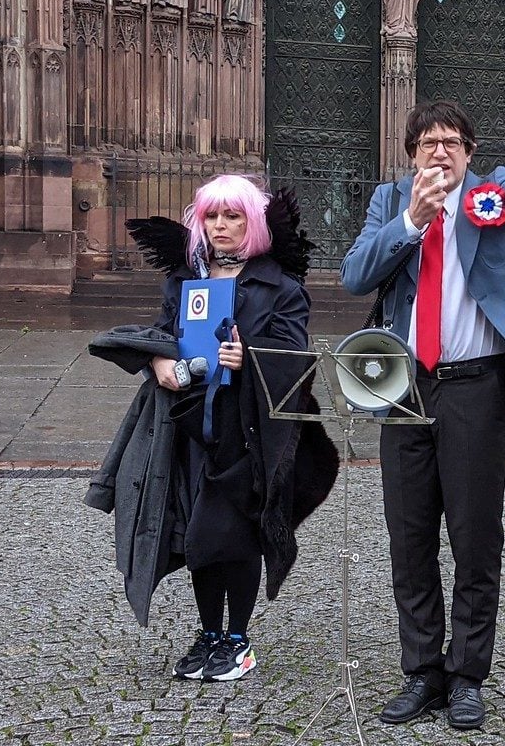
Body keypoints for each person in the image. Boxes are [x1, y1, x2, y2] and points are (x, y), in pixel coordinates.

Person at [340, 97, 505, 730]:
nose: (439, 152)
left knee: (474, 536)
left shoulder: (489, 195)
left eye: (451, 142)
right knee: (409, 535)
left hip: (474, 388)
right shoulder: (391, 201)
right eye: (427, 143)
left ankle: (467, 674)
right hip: (405, 389)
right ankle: (422, 671)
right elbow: (355, 274)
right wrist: (410, 222)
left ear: (469, 153)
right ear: (412, 154)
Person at [86, 175, 339, 684]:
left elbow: (295, 356)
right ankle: (209, 635)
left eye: (233, 216)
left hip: (247, 429)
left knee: (235, 535)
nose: (220, 225)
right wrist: (157, 361)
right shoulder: (185, 280)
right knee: (196, 536)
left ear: (253, 223)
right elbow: (165, 333)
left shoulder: (280, 287)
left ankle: (238, 640)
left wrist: (251, 358)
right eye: (211, 216)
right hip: (191, 422)